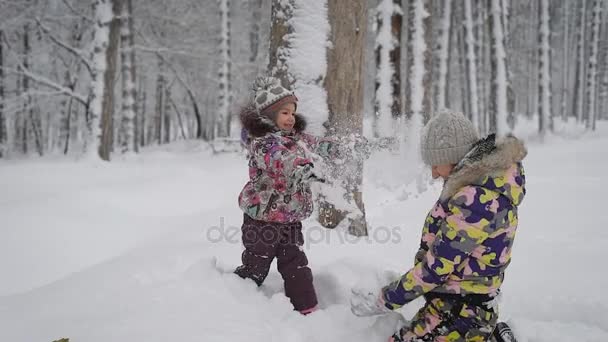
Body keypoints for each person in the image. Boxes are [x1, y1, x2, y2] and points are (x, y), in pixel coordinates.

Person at [351, 110, 527, 341]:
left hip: (460, 313)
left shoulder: (476, 199)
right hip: (453, 304)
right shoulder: (476, 186)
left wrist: (384, 299)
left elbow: (436, 268)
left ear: (453, 156)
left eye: (435, 164)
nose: (433, 174)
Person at [234, 77, 335, 315]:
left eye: (293, 112)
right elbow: (281, 159)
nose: (291, 117)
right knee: (255, 267)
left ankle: (307, 308)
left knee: (296, 264)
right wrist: (302, 168)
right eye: (284, 112)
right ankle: (234, 302)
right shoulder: (263, 143)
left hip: (289, 220)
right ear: (269, 117)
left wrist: (338, 147)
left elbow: (317, 145)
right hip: (262, 221)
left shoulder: (296, 138)